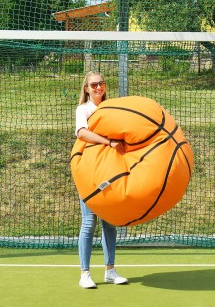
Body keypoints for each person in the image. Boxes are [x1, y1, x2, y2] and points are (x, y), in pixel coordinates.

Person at [75, 71, 128, 289]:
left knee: (110, 223)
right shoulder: (84, 109)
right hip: (89, 172)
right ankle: (85, 273)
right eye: (94, 84)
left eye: (101, 83)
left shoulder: (112, 108)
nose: (98, 87)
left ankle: (110, 270)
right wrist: (108, 142)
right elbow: (82, 133)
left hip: (111, 171)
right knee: (89, 222)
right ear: (86, 88)